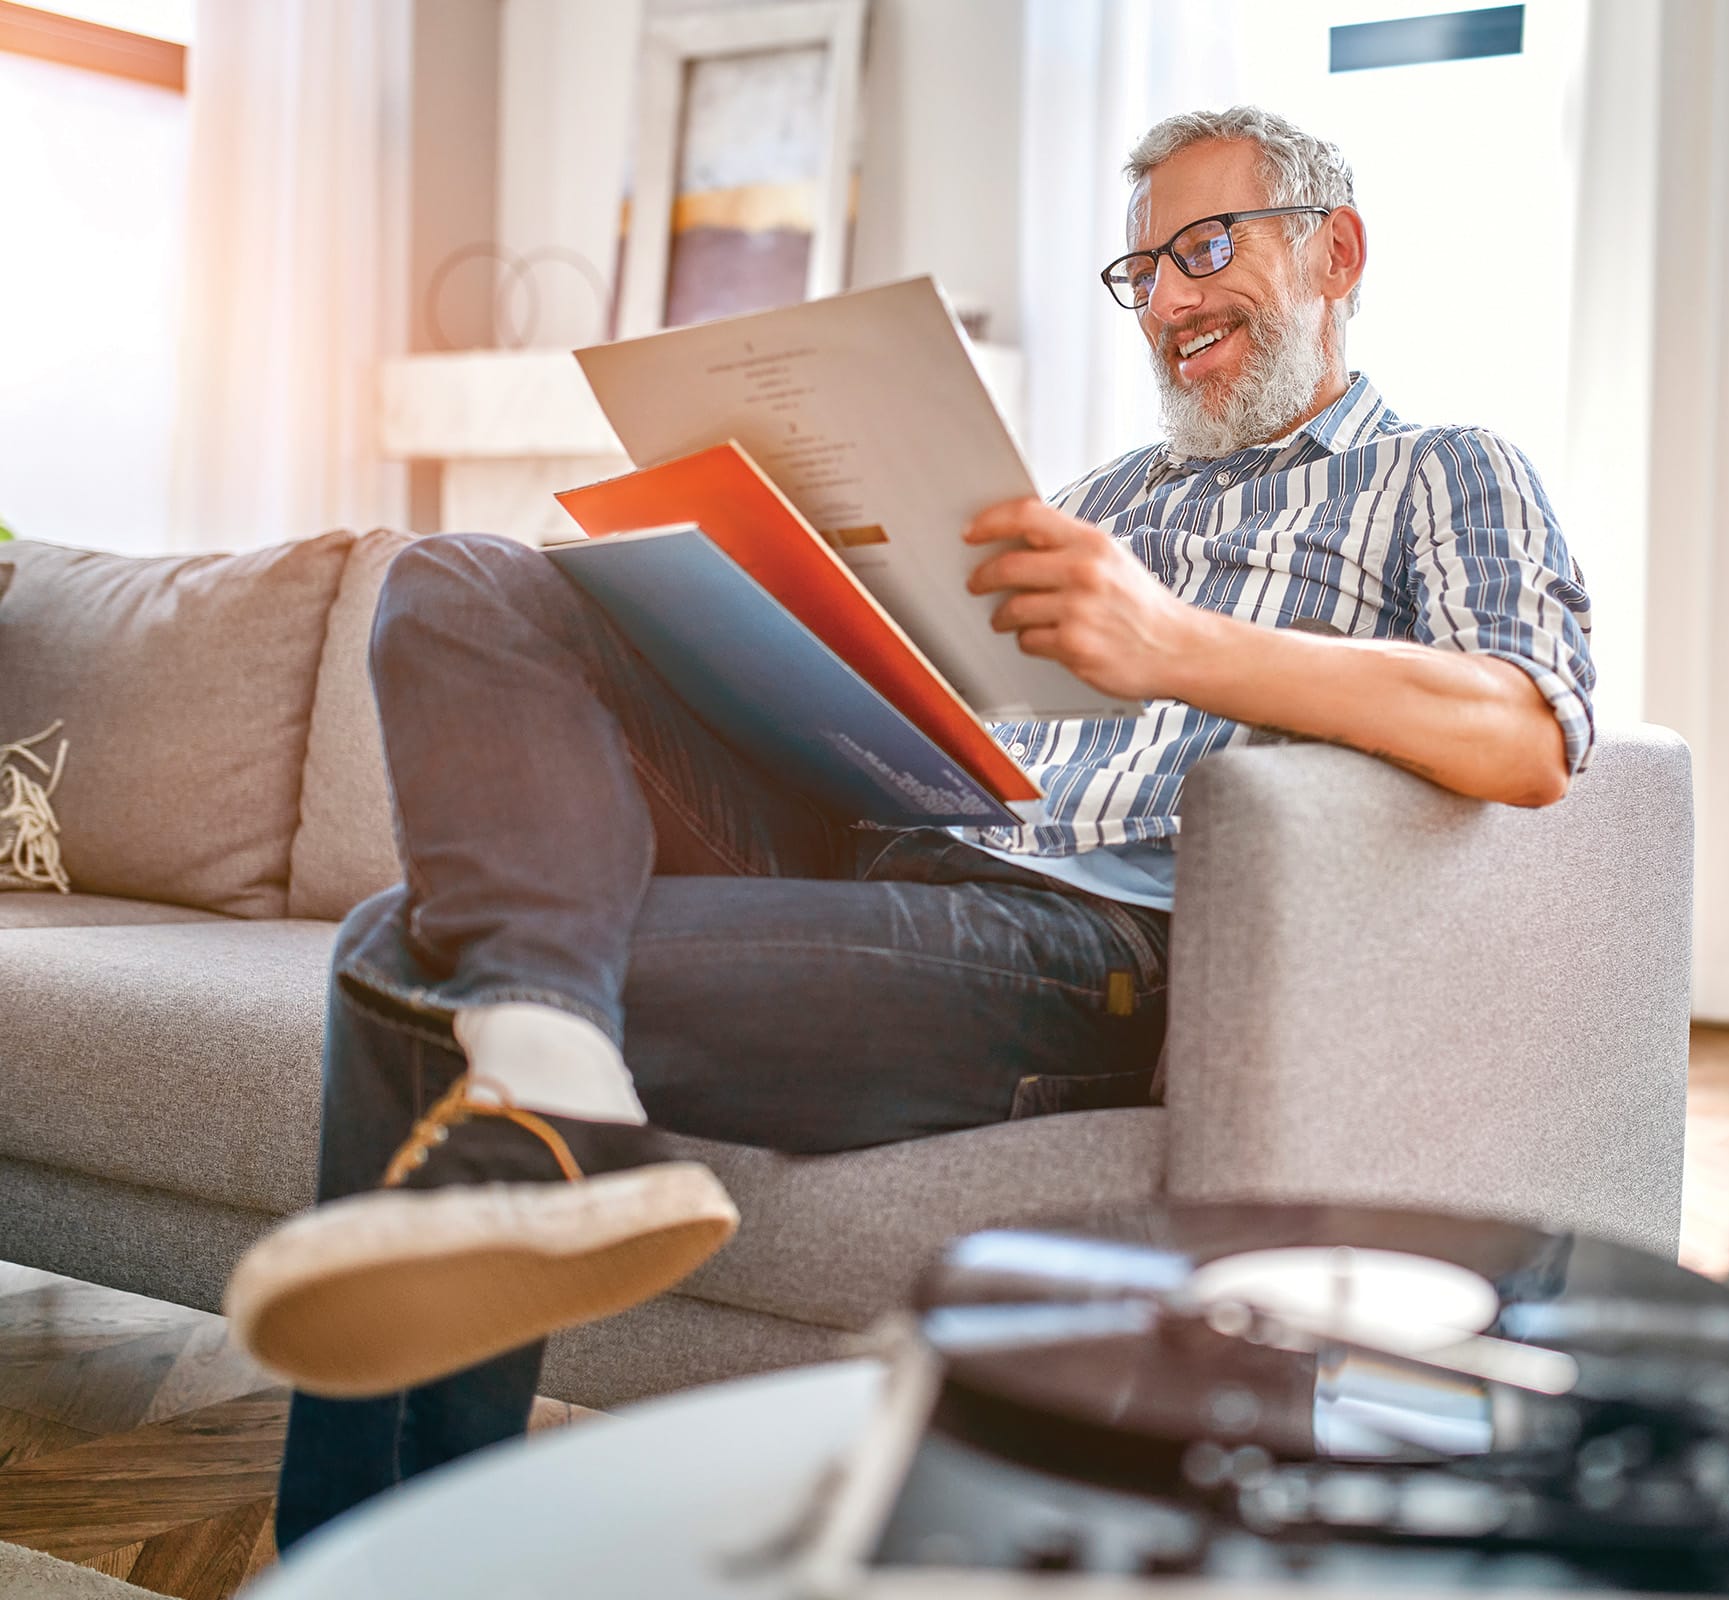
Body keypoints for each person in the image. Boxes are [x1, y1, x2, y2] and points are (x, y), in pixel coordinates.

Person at [229, 104, 1598, 1546]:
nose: (1175, 301)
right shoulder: (1098, 499)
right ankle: (546, 1075)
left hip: (1084, 945)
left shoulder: (1446, 470)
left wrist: (1175, 643)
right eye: (1145, 274)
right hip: (898, 837)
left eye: (1207, 247)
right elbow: (953, 694)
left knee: (403, 944)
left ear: (1338, 252)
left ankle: (369, 1543)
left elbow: (1528, 733)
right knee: (459, 578)